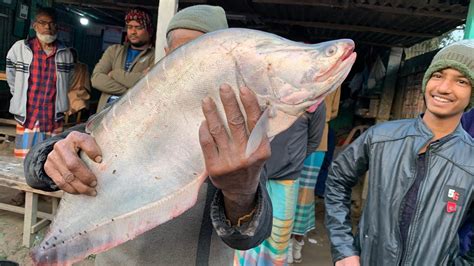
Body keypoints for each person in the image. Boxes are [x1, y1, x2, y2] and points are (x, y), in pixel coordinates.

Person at [24, 5, 272, 265]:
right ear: (166, 56)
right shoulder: (132, 108)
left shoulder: (241, 131)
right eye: (184, 54)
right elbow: (35, 167)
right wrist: (51, 157)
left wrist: (241, 193)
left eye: (205, 58)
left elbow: (251, 236)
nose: (194, 68)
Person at [325, 39, 474, 265]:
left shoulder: (470, 159)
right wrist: (344, 248)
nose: (444, 88)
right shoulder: (381, 137)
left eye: (461, 81)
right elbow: (337, 180)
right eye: (438, 75)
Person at [235, 104, 326, 265]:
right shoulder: (265, 91)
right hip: (253, 177)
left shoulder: (314, 102)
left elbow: (313, 141)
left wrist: (291, 161)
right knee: (246, 231)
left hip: (285, 181)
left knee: (277, 238)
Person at [6, 7, 74, 158]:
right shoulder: (20, 48)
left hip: (52, 117)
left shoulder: (65, 53)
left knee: (49, 161)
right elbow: (11, 75)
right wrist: (18, 94)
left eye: (51, 23)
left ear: (57, 26)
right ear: (34, 25)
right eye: (43, 23)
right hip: (28, 116)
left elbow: (68, 81)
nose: (47, 27)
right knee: (23, 161)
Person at [289, 87, 341, 264]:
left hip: (298, 134)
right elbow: (333, 112)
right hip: (316, 137)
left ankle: (291, 241)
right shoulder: (335, 75)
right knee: (303, 191)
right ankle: (296, 242)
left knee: (292, 188)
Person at [92, 8, 155, 112]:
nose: (133, 32)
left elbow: (148, 85)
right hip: (105, 114)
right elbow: (96, 79)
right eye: (130, 27)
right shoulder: (113, 51)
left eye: (138, 27)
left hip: (133, 114)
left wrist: (115, 74)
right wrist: (130, 92)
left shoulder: (155, 56)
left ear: (149, 31)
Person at [66, 48, 91, 117]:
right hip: (65, 91)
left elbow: (86, 85)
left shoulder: (82, 67)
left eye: (73, 56)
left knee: (79, 100)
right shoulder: (62, 67)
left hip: (80, 91)